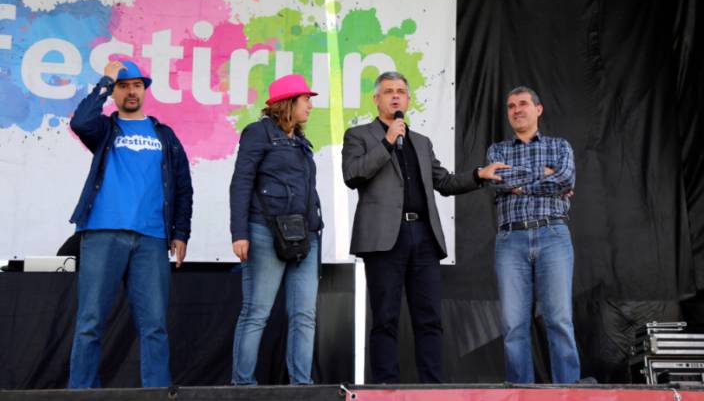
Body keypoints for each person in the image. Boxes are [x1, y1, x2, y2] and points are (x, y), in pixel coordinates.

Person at [341, 71, 506, 383]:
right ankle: (386, 387)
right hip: (383, 240)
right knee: (385, 318)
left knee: (429, 318)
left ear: (408, 99)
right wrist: (388, 142)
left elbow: (444, 182)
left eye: (401, 91)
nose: (395, 96)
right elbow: (353, 174)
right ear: (376, 99)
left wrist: (478, 175)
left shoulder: (420, 142)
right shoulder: (359, 136)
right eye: (388, 91)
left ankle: (433, 387)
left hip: (423, 236)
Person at [68, 60, 193, 388]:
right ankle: (80, 394)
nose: (131, 91)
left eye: (137, 85)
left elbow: (183, 185)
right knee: (90, 323)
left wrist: (181, 232)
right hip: (102, 232)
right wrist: (105, 81)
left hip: (152, 238)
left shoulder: (164, 135)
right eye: (123, 86)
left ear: (145, 90)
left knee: (154, 326)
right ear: (115, 92)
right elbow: (80, 121)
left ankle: (156, 392)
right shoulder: (105, 130)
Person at [229, 74, 323, 385]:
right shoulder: (258, 133)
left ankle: (301, 386)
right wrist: (239, 233)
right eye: (306, 99)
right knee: (257, 312)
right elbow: (241, 182)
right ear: (288, 102)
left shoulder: (300, 141)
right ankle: (242, 386)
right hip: (264, 230)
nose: (310, 105)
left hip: (305, 235)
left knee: (304, 315)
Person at [485, 86, 580, 383]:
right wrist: (545, 174)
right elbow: (499, 181)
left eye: (523, 104)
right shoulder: (497, 150)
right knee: (513, 325)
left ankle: (567, 392)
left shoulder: (559, 146)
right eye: (511, 106)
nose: (516, 110)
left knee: (559, 320)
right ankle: (520, 392)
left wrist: (521, 184)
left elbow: (566, 179)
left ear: (538, 109)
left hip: (553, 234)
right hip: (510, 240)